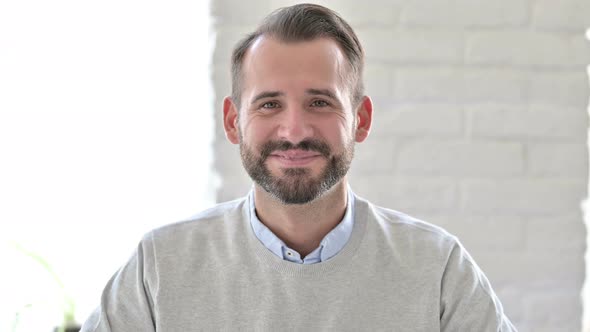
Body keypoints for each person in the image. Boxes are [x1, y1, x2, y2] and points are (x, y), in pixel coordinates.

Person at [80, 3, 516, 331]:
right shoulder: (161, 265)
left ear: (360, 120)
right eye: (269, 104)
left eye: (319, 102)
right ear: (234, 122)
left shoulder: (437, 268)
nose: (293, 130)